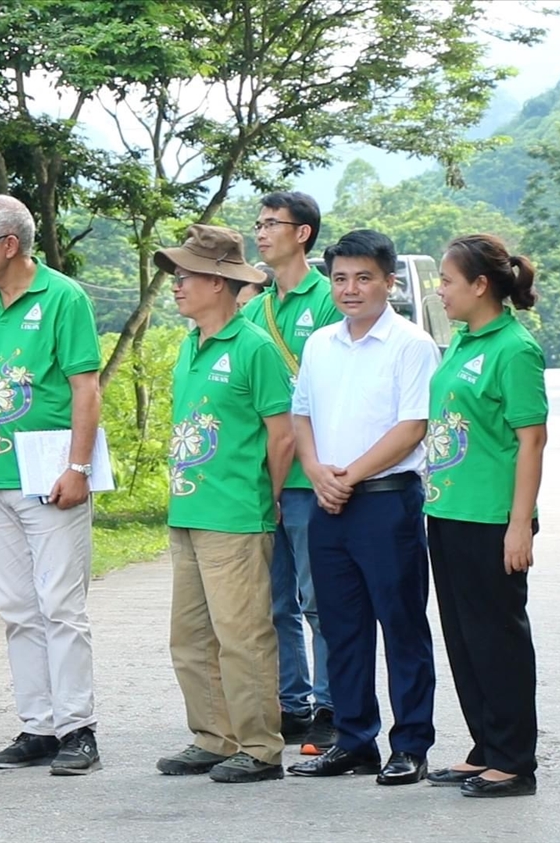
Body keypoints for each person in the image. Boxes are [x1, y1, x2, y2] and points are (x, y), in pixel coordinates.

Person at [0, 195, 103, 775]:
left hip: (49, 471)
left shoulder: (63, 297)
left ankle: (78, 728)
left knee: (61, 604)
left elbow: (84, 388)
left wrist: (79, 466)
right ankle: (38, 725)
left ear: (9, 245)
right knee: (16, 605)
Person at [286, 230, 439, 786]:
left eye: (364, 277)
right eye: (341, 278)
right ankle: (354, 742)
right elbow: (300, 414)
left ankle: (411, 745)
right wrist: (316, 470)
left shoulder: (411, 344)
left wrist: (349, 474)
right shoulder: (320, 343)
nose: (351, 289)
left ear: (389, 281)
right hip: (328, 503)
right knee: (340, 628)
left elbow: (412, 426)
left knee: (401, 626)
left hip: (386, 503)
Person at [152, 225, 293, 784]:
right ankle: (214, 736)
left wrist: (268, 499)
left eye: (186, 276)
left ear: (219, 282)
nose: (177, 285)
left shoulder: (254, 348)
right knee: (189, 637)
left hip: (235, 516)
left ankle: (260, 747)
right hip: (188, 511)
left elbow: (281, 436)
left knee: (243, 636)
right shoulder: (190, 345)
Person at [423, 235, 547, 798]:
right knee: (465, 638)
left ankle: (515, 761)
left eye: (447, 281)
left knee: (498, 638)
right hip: (448, 509)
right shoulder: (463, 341)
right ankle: (486, 747)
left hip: (491, 518)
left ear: (480, 286)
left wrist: (519, 523)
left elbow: (532, 440)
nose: (439, 290)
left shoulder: (514, 348)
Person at [242, 192, 343, 753]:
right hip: (263, 473)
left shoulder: (327, 298)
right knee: (274, 600)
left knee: (317, 600)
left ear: (302, 234)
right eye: (257, 223)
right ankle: (292, 703)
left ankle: (332, 705)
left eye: (272, 224)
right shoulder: (255, 308)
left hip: (310, 475)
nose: (260, 232)